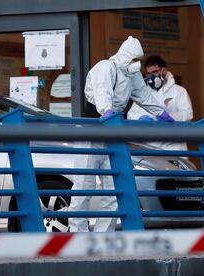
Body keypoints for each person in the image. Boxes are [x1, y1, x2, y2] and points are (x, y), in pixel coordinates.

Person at [68, 36, 174, 232]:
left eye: (138, 60)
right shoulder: (105, 67)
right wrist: (108, 112)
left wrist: (163, 114)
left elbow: (144, 96)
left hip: (113, 134)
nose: (137, 64)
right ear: (125, 56)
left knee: (114, 190)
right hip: (91, 132)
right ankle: (78, 237)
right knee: (84, 187)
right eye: (134, 59)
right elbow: (102, 93)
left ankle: (104, 237)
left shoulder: (132, 76)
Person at [127, 55, 193, 151]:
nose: (151, 76)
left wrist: (169, 117)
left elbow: (188, 115)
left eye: (154, 72)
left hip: (174, 148)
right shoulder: (143, 93)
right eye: (148, 73)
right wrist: (140, 119)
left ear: (164, 70)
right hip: (148, 148)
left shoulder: (179, 91)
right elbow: (131, 115)